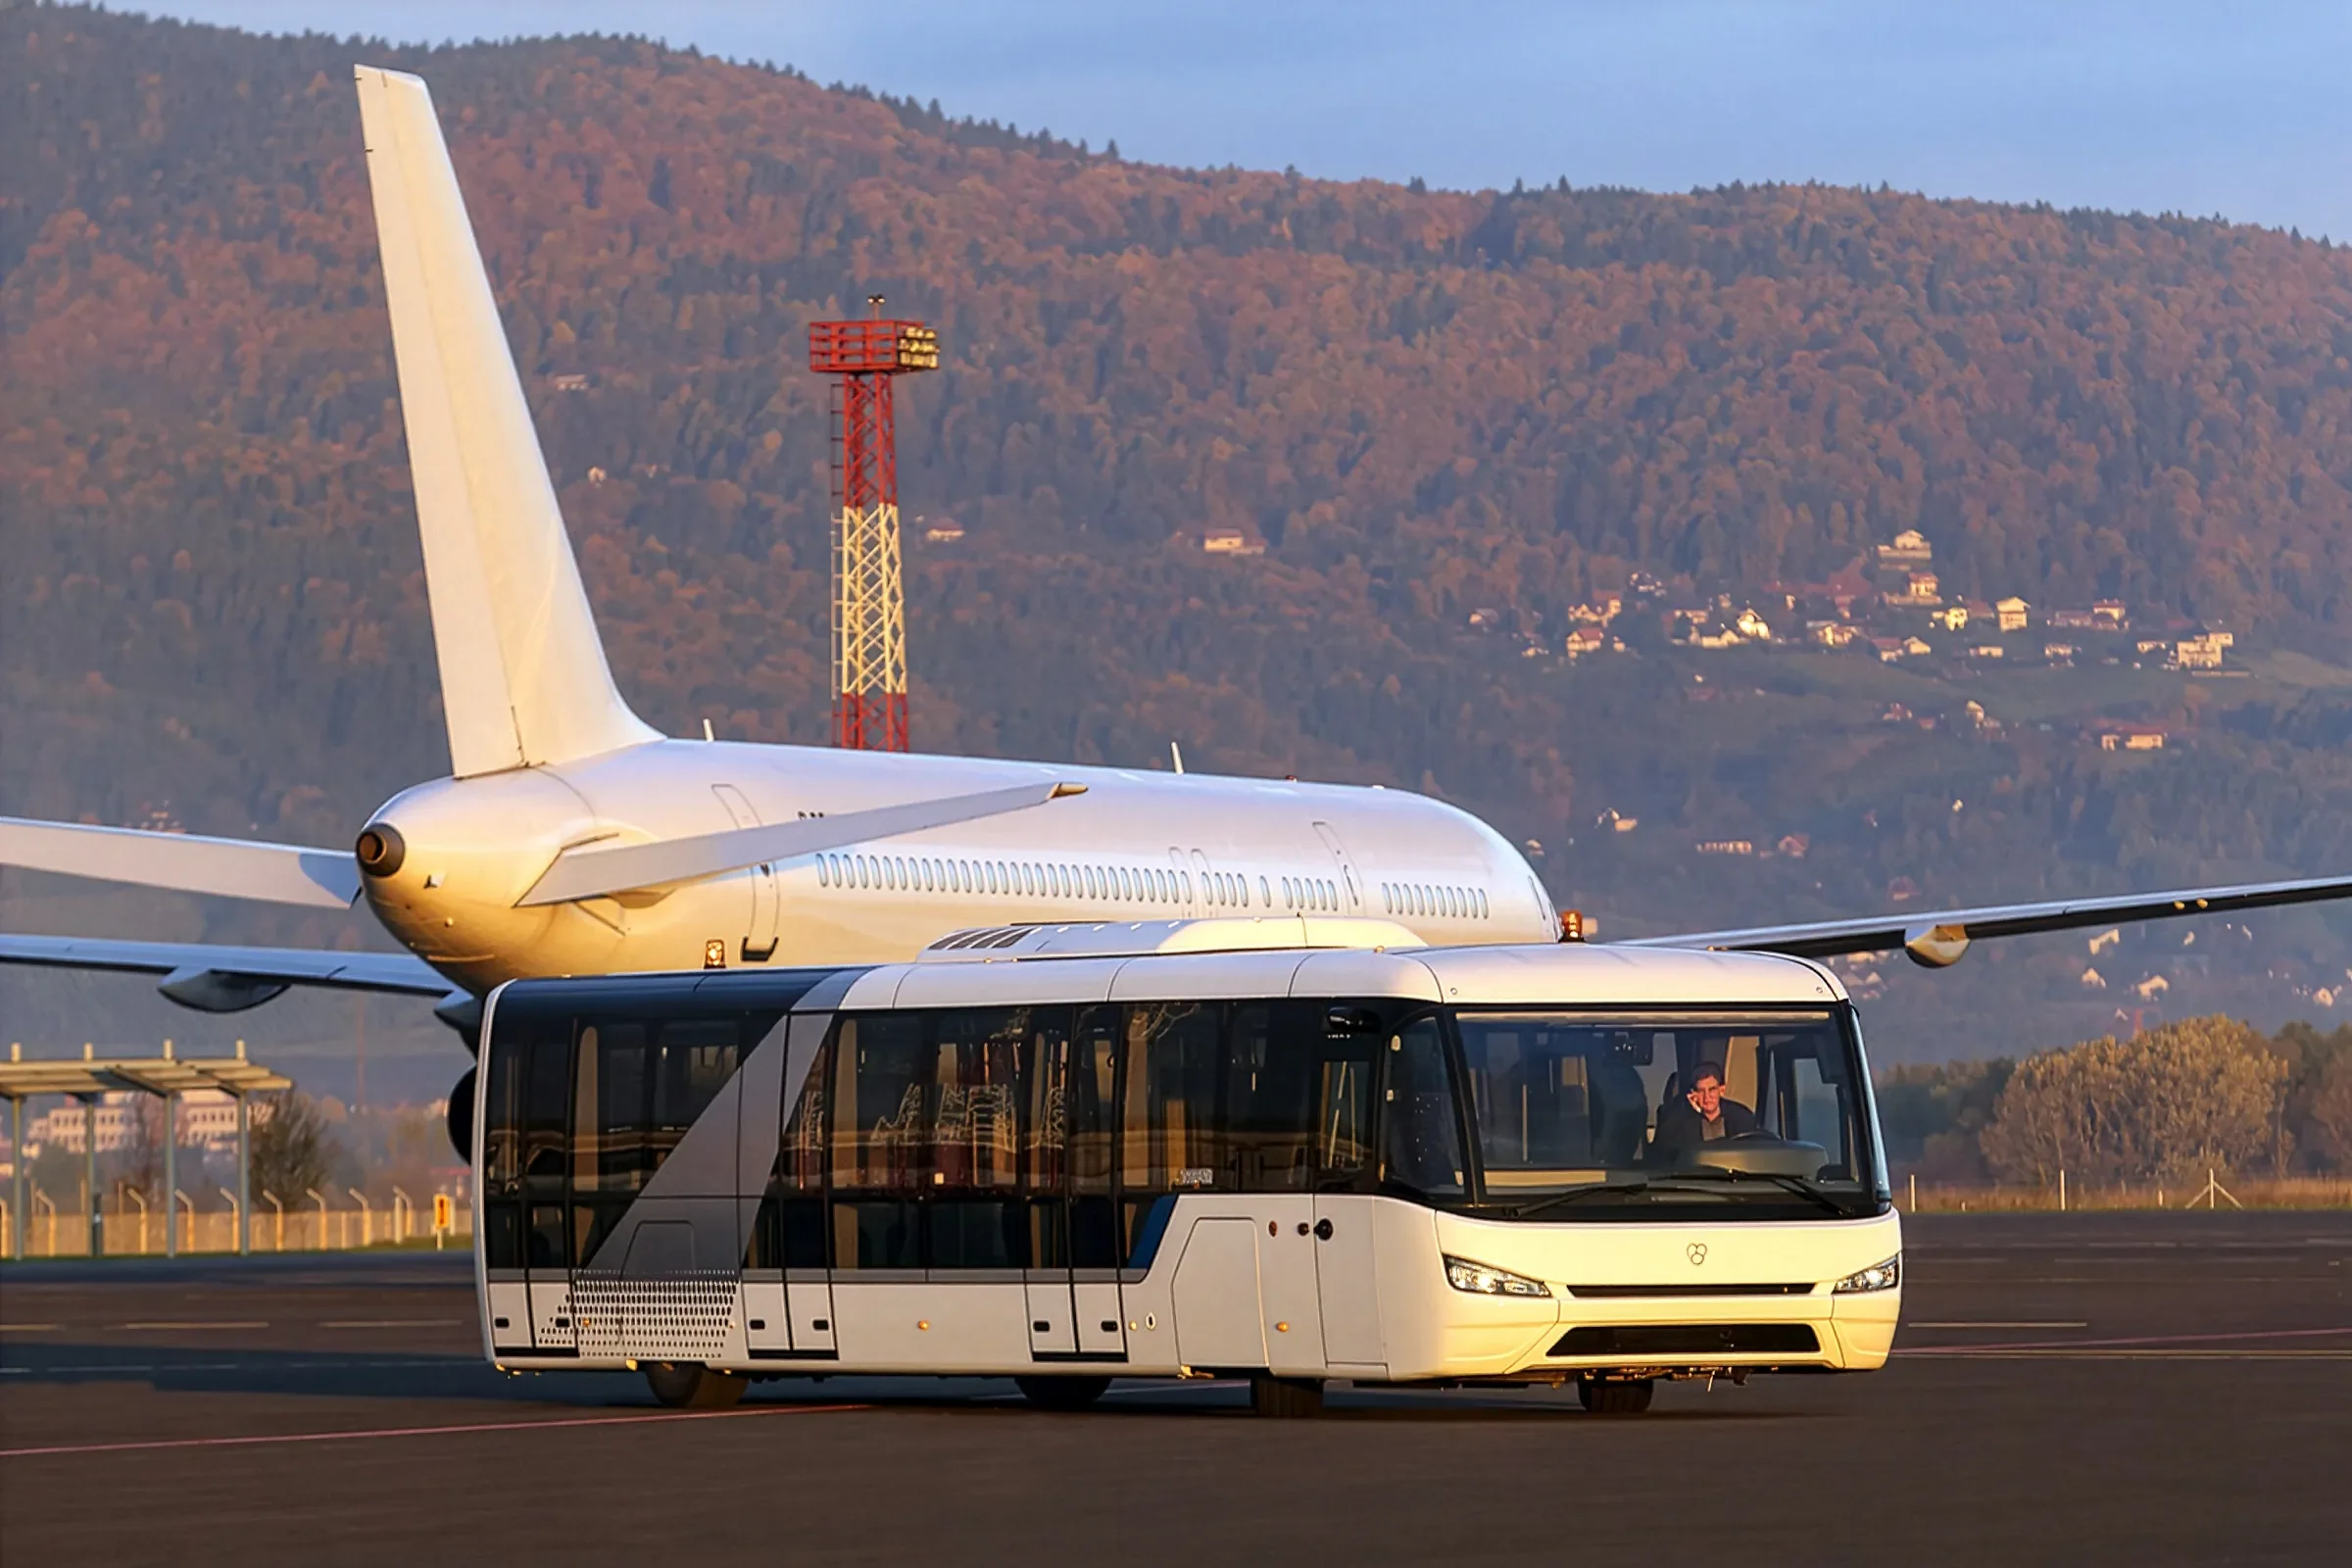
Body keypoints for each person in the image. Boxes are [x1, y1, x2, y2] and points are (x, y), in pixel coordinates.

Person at [1650, 1059, 1756, 1159]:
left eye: (1712, 1089)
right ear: (1693, 1094)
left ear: (1722, 1090)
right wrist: (1690, 1112)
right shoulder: (1679, 1121)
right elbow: (1663, 1152)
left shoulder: (1742, 1117)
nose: (1707, 1097)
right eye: (1701, 1091)